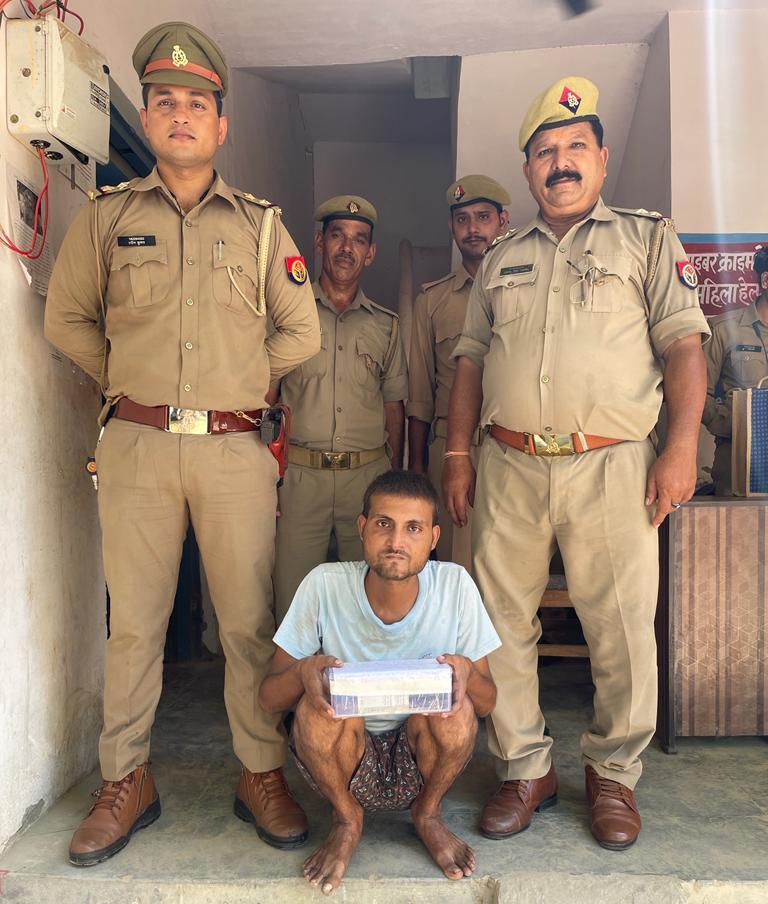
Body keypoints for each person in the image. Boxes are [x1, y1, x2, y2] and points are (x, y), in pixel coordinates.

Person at [44, 22, 321, 866]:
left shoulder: (262, 228)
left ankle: (260, 772)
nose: (180, 115)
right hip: (137, 446)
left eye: (196, 104)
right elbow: (66, 318)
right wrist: (128, 384)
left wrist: (239, 382)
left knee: (246, 625)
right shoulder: (107, 218)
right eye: (164, 102)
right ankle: (125, 780)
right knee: (134, 626)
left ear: (220, 124)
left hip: (235, 453)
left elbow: (301, 331)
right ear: (147, 118)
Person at [443, 76, 710, 850]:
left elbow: (684, 345)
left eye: (574, 147)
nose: (560, 162)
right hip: (509, 463)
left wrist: (681, 446)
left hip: (612, 464)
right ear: (528, 171)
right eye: (544, 152)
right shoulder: (501, 259)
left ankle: (613, 775)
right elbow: (470, 361)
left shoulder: (645, 239)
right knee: (500, 624)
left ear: (601, 157)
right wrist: (457, 454)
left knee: (621, 626)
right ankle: (523, 768)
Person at [259, 470, 500, 896]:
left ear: (433, 538)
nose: (396, 541)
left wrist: (465, 670)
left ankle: (428, 813)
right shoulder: (324, 584)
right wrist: (301, 673)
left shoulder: (455, 586)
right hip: (344, 759)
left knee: (457, 708)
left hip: (420, 755)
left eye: (414, 528)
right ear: (362, 528)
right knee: (317, 703)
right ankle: (346, 819)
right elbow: (268, 698)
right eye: (384, 524)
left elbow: (486, 702)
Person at [271, 197, 408, 624]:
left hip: (365, 480)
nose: (347, 248)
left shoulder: (386, 325)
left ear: (371, 252)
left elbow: (394, 407)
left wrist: (392, 484)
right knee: (293, 601)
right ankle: (298, 672)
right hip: (300, 479)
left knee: (368, 600)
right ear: (319, 243)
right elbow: (267, 400)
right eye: (337, 236)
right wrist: (266, 476)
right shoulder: (289, 316)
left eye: (359, 240)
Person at [407, 176, 510, 569]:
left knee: (512, 571)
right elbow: (420, 395)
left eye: (483, 217)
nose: (473, 229)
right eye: (462, 219)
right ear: (451, 226)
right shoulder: (432, 301)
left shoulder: (527, 291)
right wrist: (418, 470)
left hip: (513, 448)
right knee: (458, 569)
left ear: (503, 221)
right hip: (452, 450)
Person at [702, 246, 768, 494]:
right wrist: (735, 426)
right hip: (737, 463)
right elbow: (697, 394)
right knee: (737, 520)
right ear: (765, 280)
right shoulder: (723, 329)